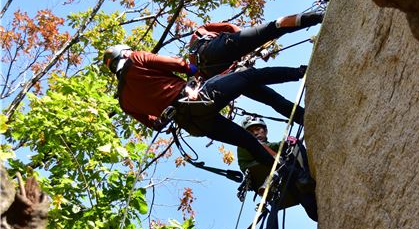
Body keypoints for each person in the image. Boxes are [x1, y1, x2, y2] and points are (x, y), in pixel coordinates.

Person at [103, 45, 307, 171]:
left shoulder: (124, 102)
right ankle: (300, 72)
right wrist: (194, 73)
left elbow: (155, 125)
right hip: (195, 99)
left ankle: (287, 171)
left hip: (193, 125)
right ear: (124, 54)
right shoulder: (136, 58)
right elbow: (177, 63)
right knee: (249, 77)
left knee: (248, 142)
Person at [188, 6, 324, 78]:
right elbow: (230, 28)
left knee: (254, 80)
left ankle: (300, 72)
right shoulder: (201, 30)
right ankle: (319, 15)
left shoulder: (192, 60)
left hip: (212, 72)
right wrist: (252, 45)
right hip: (212, 48)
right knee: (275, 27)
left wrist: (249, 53)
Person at [237, 115, 318, 221]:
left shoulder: (271, 149)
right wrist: (285, 143)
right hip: (260, 170)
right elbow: (261, 147)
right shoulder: (244, 143)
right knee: (291, 145)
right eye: (251, 131)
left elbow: (270, 148)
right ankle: (304, 177)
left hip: (283, 175)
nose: (255, 133)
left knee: (307, 201)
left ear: (265, 131)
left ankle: (307, 192)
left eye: (258, 129)